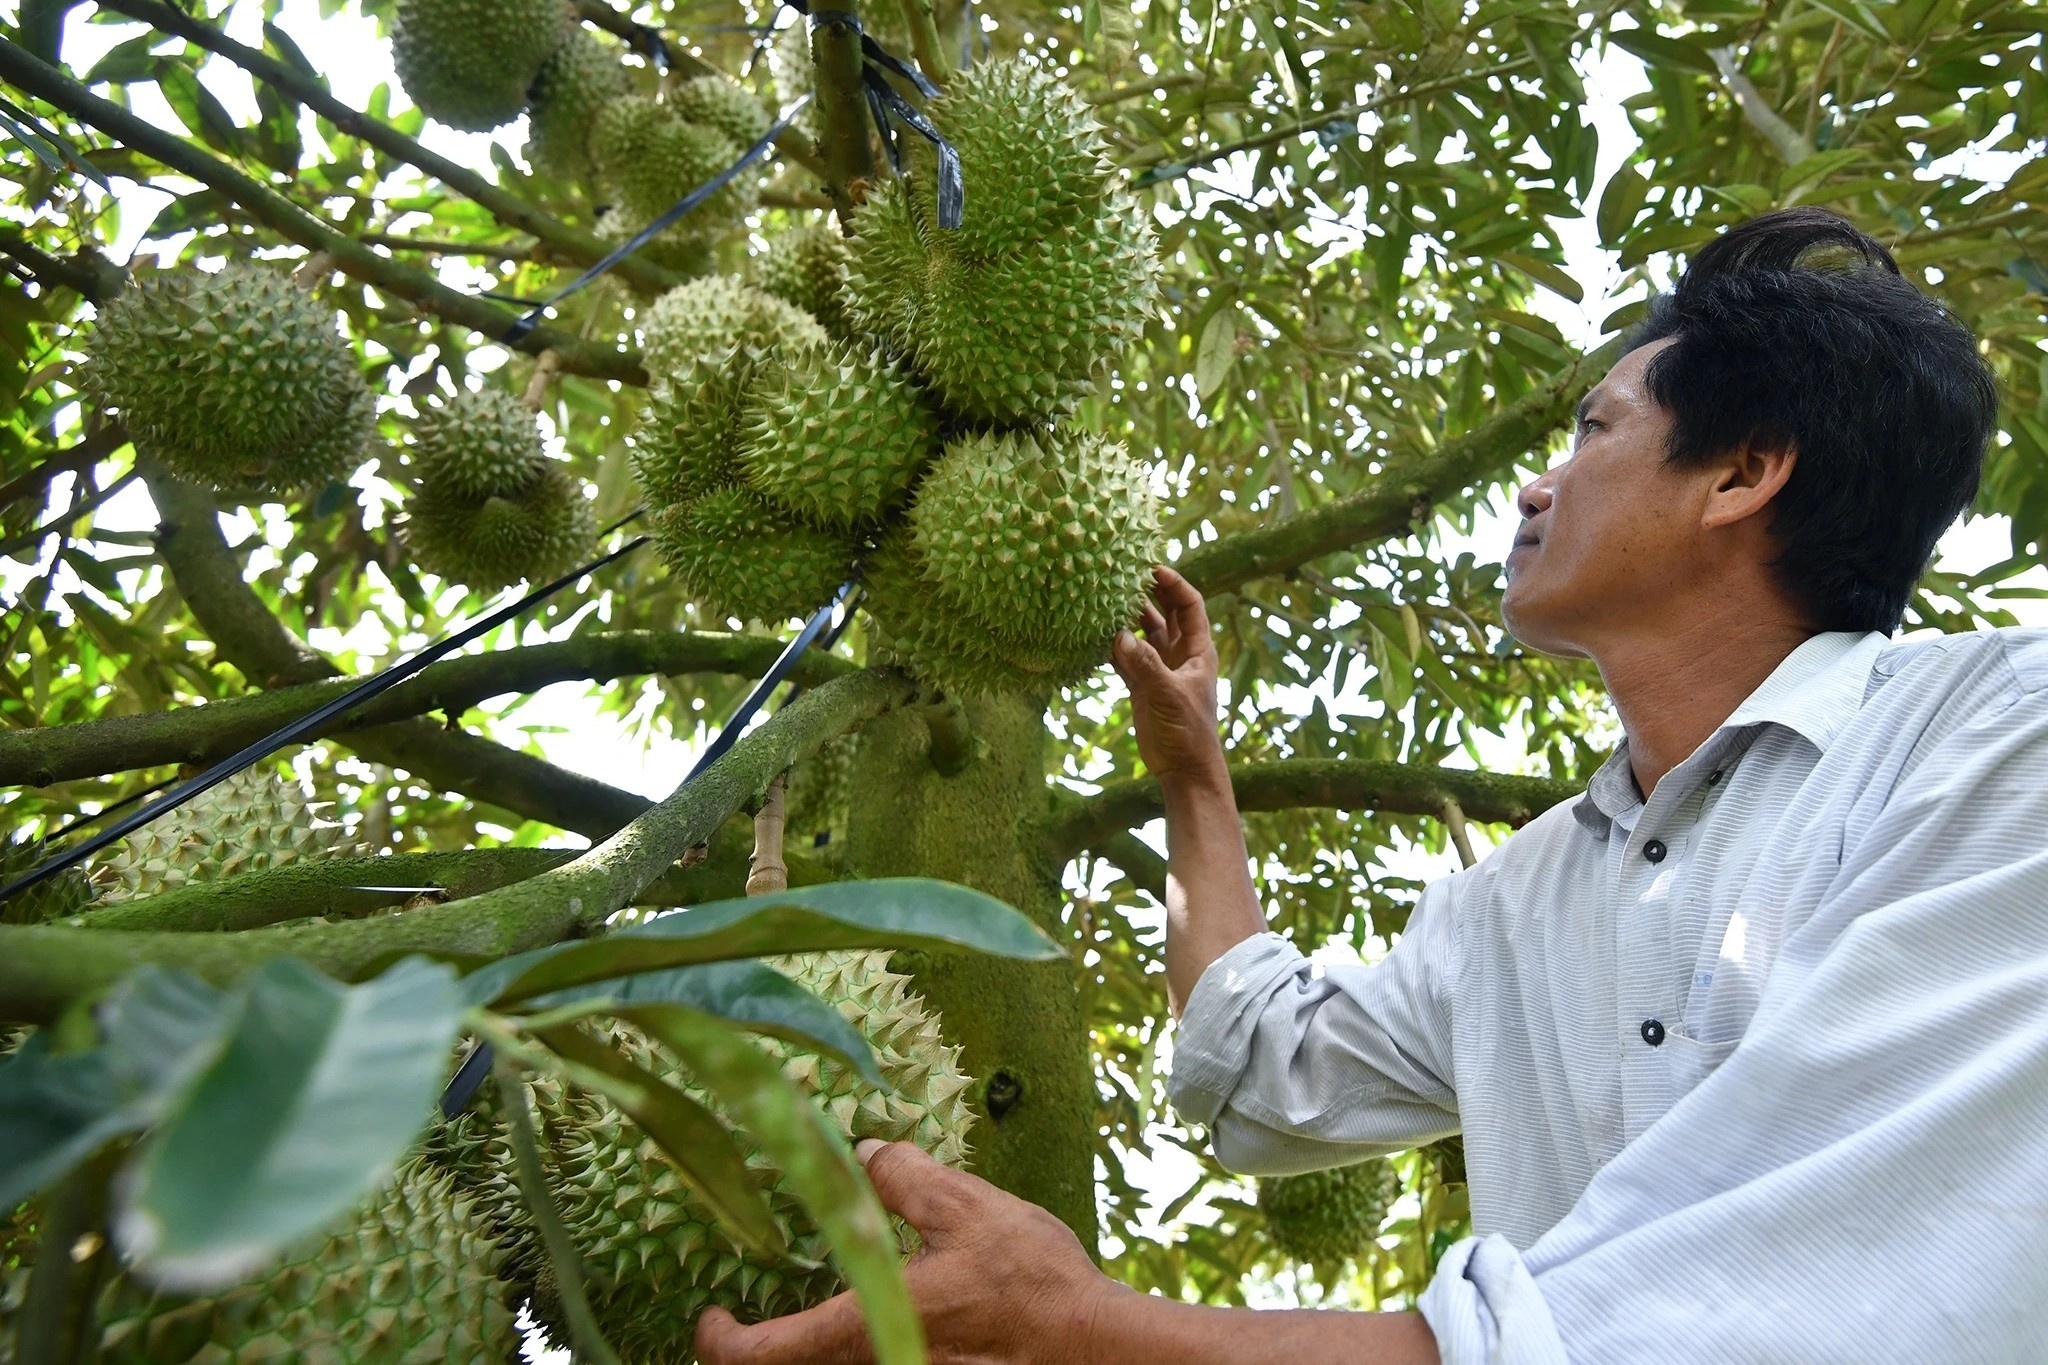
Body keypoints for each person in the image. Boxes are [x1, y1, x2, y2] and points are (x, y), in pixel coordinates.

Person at [696, 208, 2048, 1364]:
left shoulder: (1994, 744)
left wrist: (1084, 1321)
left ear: (1744, 472)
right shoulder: (1515, 903)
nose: (1539, 481)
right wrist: (1192, 774)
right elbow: (1255, 1068)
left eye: (1595, 427)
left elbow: (1763, 1311)